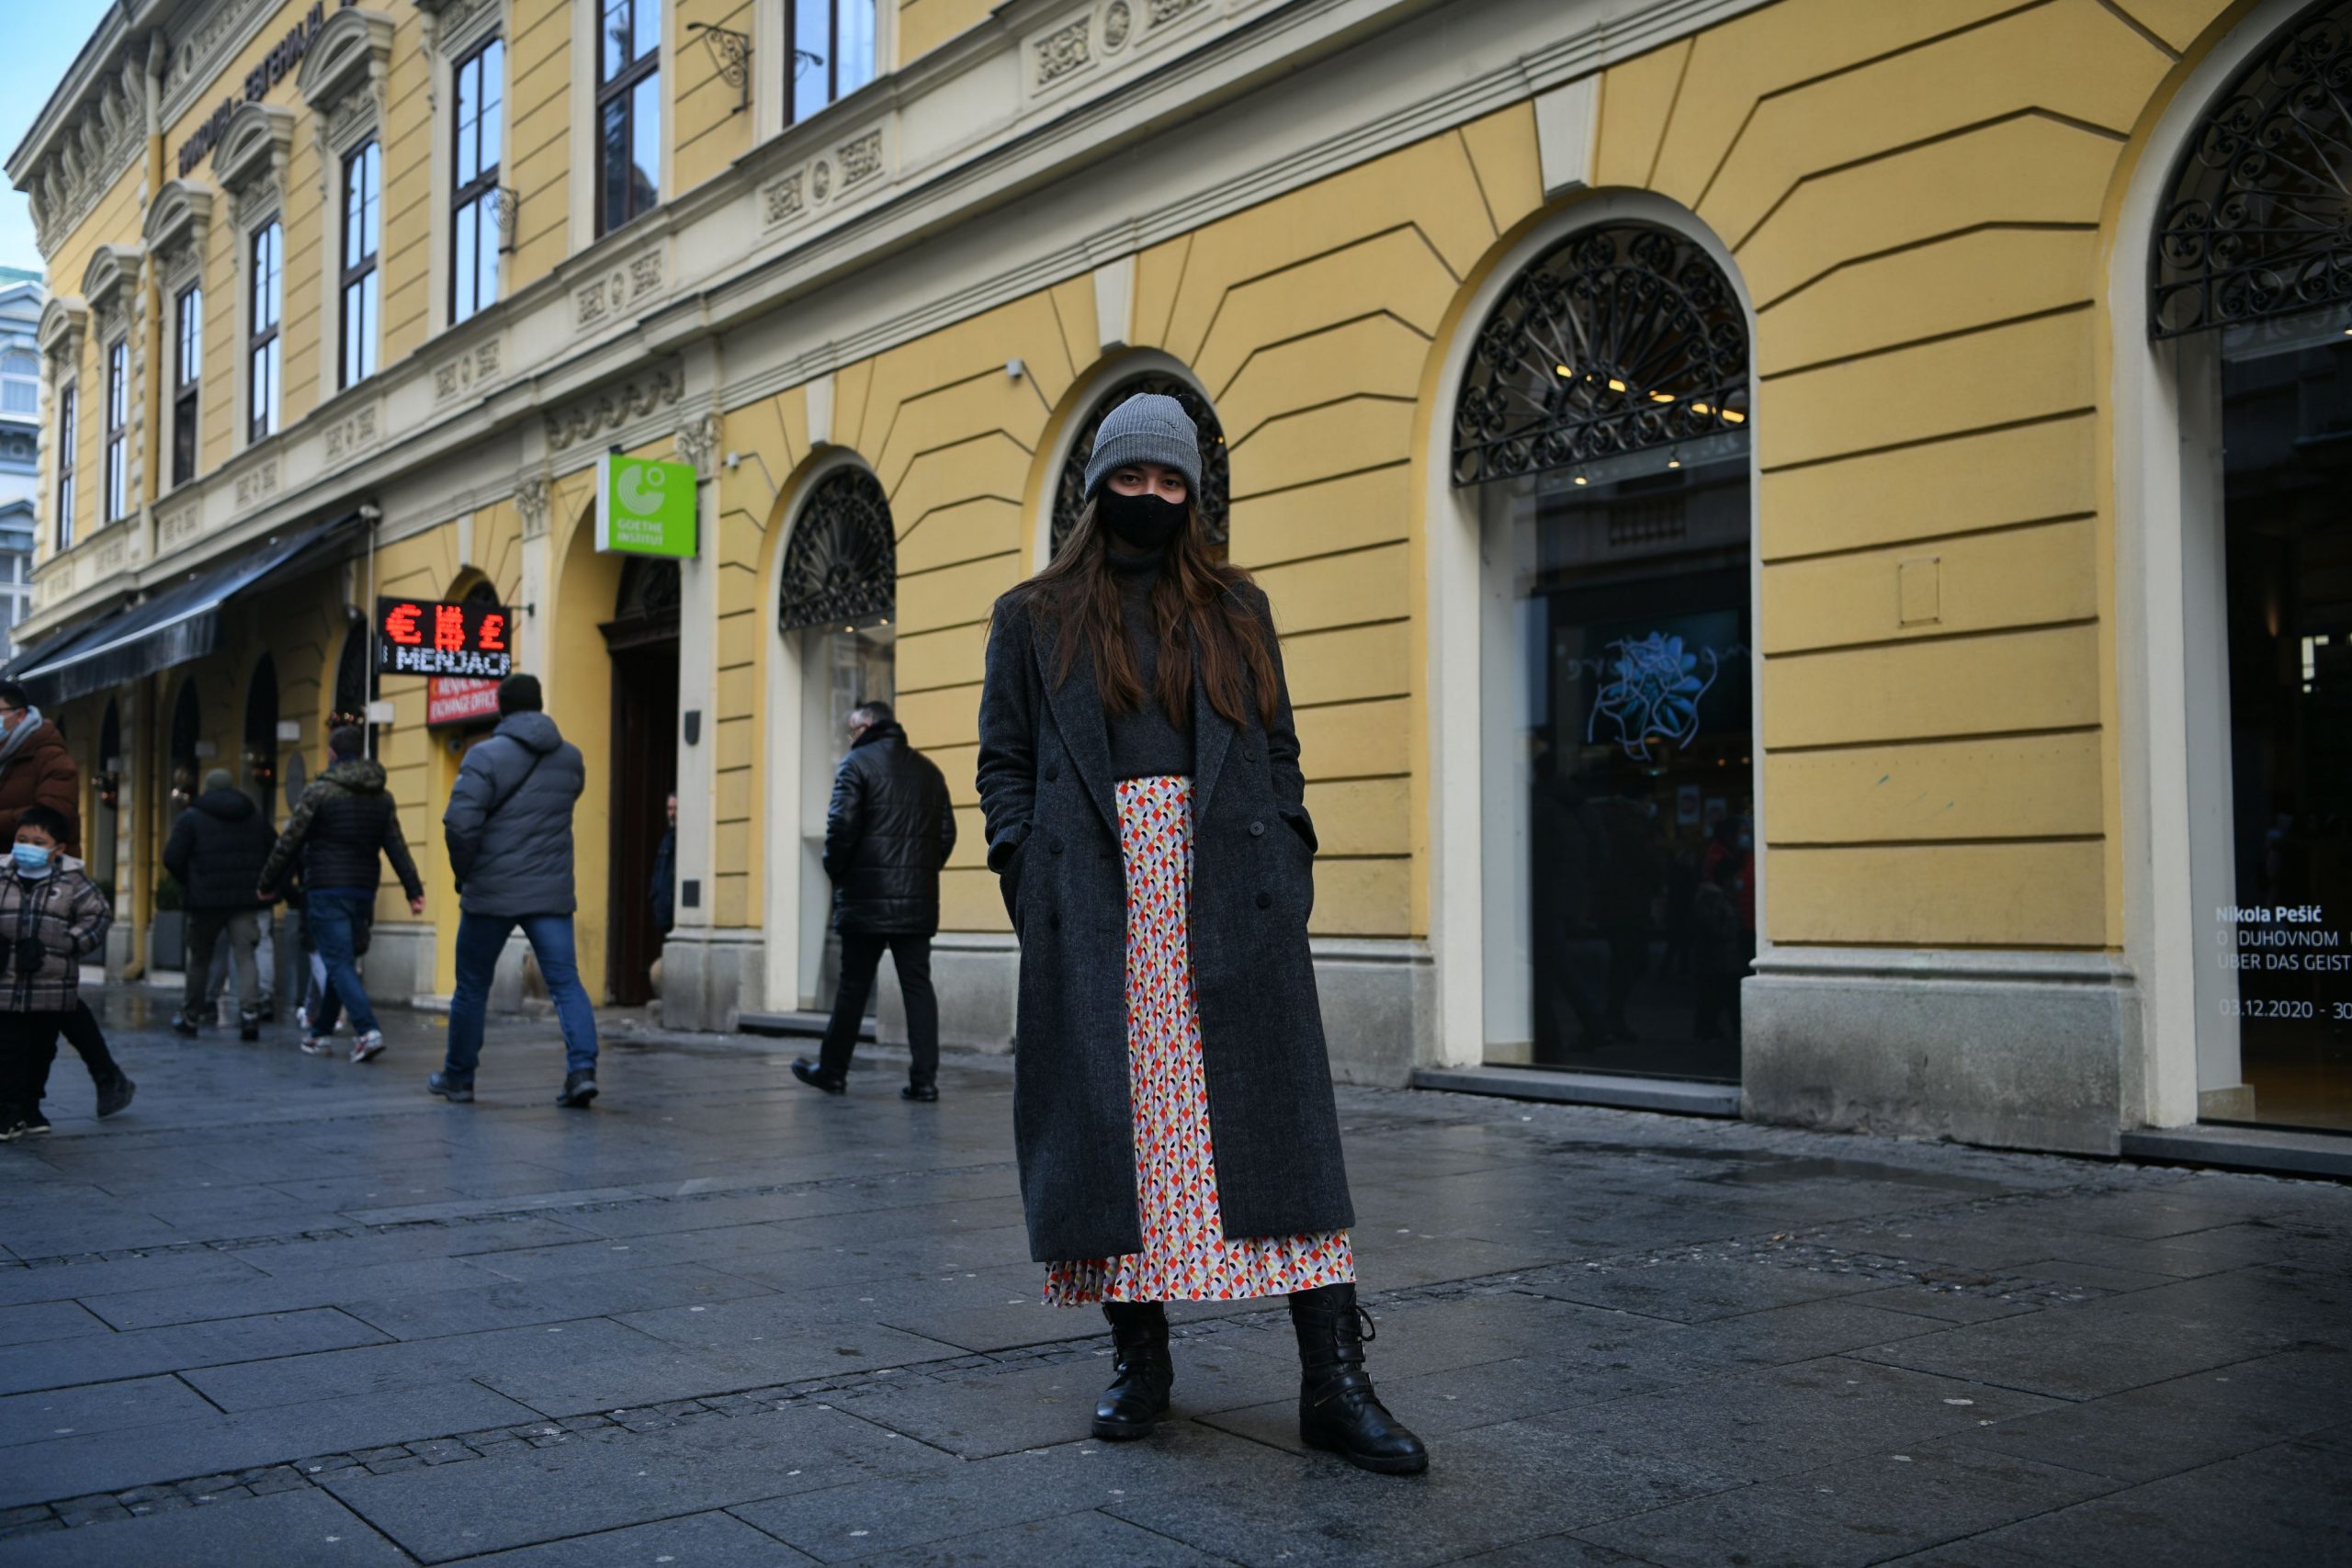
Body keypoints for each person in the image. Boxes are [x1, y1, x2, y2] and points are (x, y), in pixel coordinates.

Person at [975, 392, 1425, 1475]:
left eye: (1172, 481)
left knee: (1281, 1129)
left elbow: (1279, 746)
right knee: (1115, 1127)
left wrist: (1287, 852)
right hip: (1095, 893)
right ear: (1099, 487)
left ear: (1194, 492)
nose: (1152, 496)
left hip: (1230, 884)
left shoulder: (1235, 607)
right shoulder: (1033, 615)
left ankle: (1334, 1383)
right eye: (1132, 478)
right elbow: (1004, 762)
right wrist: (1026, 868)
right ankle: (1141, 1361)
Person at [430, 674, 599, 1109]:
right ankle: (582, 1070)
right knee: (566, 983)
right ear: (539, 704)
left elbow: (459, 824)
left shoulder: (483, 756)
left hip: (491, 892)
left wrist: (464, 873)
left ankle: (459, 1077)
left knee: (472, 986)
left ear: (501, 709)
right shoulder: (571, 759)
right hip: (550, 892)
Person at [790, 699, 956, 1101]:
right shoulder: (928, 770)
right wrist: (919, 875)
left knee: (853, 987)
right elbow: (946, 834)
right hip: (914, 902)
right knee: (918, 987)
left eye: (852, 729)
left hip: (865, 900)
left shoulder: (855, 764)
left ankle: (832, 1071)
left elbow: (841, 827)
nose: (850, 737)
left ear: (867, 726)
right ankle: (925, 1081)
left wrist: (837, 873)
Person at [0, 682, 130, 1118]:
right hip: (9, 882)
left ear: (19, 714)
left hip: (45, 885)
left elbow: (53, 815)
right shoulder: (7, 756)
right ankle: (98, 1077)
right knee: (35, 992)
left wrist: (71, 940)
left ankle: (82, 1082)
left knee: (50, 991)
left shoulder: (50, 756)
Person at [258, 726, 424, 1063]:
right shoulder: (381, 796)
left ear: (332, 754)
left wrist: (267, 883)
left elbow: (289, 842)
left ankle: (367, 1031)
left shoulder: (319, 792)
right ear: (360, 754)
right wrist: (413, 889)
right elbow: (396, 845)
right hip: (363, 890)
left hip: (326, 887)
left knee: (336, 961)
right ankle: (320, 1033)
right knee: (342, 961)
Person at [0, 805, 113, 1139]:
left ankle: (30, 1107)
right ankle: (7, 1111)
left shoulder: (72, 881)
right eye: (22, 840)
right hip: (6, 983)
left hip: (51, 984)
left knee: (41, 1050)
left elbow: (98, 915)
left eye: (38, 842)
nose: (27, 848)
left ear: (58, 849)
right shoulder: (3, 875)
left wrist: (71, 941)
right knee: (8, 1050)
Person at [164, 769, 278, 1041]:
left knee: (200, 958)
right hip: (244, 900)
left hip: (205, 901)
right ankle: (249, 1015)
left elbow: (172, 857)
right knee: (246, 955)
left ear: (207, 788)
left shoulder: (192, 817)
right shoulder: (253, 817)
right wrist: (262, 883)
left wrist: (191, 881)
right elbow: (275, 851)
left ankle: (191, 1016)